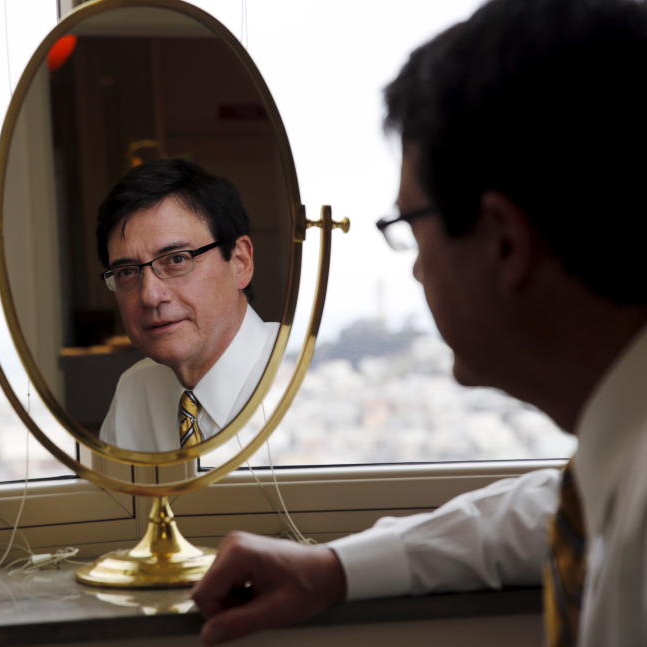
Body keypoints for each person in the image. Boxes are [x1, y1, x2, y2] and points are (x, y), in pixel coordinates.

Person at [191, 0, 647, 645]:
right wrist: (335, 568)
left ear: (505, 243)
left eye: (410, 225)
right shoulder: (619, 480)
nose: (415, 272)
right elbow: (550, 507)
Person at [96, 158, 278, 452]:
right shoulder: (136, 390)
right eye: (127, 272)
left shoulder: (302, 377)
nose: (150, 296)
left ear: (240, 262)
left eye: (177, 259)